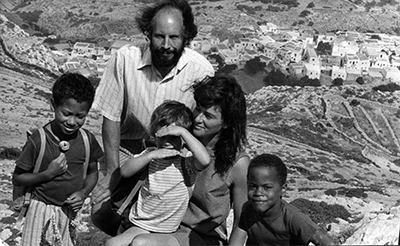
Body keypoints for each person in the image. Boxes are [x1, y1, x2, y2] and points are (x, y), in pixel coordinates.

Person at [90, 0, 214, 236]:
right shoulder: (125, 59)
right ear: (148, 34)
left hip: (175, 150)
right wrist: (113, 173)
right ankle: (127, 235)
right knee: (100, 209)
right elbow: (111, 117)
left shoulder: (201, 70)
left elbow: (205, 122)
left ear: (185, 37)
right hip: (132, 145)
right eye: (160, 37)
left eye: (174, 38)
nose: (166, 45)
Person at [129, 75, 250, 246]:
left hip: (201, 237)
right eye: (198, 109)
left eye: (208, 115)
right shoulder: (178, 141)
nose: (198, 119)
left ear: (226, 123)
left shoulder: (237, 163)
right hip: (162, 226)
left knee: (142, 244)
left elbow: (241, 221)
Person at [12, 73, 103, 245]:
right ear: (53, 104)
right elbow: (18, 178)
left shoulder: (87, 140)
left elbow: (93, 172)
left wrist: (83, 194)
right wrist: (48, 174)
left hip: (68, 211)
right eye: (66, 113)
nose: (72, 121)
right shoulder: (39, 140)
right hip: (39, 207)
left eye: (80, 116)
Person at [106, 100, 211, 246]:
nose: (167, 142)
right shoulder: (150, 155)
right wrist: (150, 156)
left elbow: (205, 160)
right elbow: (125, 171)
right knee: (112, 244)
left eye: (173, 137)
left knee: (139, 244)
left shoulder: (186, 161)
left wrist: (182, 132)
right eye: (162, 137)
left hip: (166, 230)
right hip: (140, 223)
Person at [228, 153, 336, 246]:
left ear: (283, 189)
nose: (258, 193)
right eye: (252, 186)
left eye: (267, 188)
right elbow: (238, 237)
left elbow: (327, 243)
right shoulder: (248, 209)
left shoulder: (293, 218)